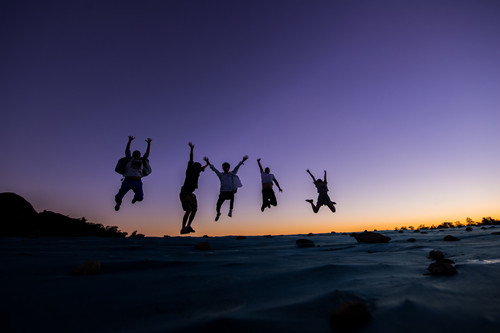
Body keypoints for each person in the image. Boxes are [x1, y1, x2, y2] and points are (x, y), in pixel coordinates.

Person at [204, 155, 248, 221]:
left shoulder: (232, 174)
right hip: (223, 193)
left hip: (230, 192)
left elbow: (237, 167)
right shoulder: (221, 175)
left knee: (232, 197)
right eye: (223, 167)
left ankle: (230, 211)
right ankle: (218, 213)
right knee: (218, 205)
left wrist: (242, 161)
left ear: (228, 168)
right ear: (222, 168)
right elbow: (214, 169)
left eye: (226, 167)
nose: (225, 168)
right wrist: (208, 162)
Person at [114, 136, 152, 211]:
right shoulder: (129, 159)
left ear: (140, 155)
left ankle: (135, 198)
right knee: (120, 195)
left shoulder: (142, 161)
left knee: (140, 198)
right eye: (135, 154)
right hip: (127, 180)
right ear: (133, 155)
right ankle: (118, 203)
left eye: (138, 154)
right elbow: (127, 150)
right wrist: (130, 140)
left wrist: (149, 144)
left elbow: (147, 153)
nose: (137, 155)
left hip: (137, 181)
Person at [179, 142, 208, 235]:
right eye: (198, 167)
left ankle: (188, 226)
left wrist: (207, 163)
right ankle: (183, 228)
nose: (200, 169)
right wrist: (191, 149)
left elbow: (203, 167)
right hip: (185, 192)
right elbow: (191, 158)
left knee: (194, 209)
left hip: (191, 193)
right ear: (194, 167)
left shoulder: (198, 171)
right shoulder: (190, 170)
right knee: (188, 210)